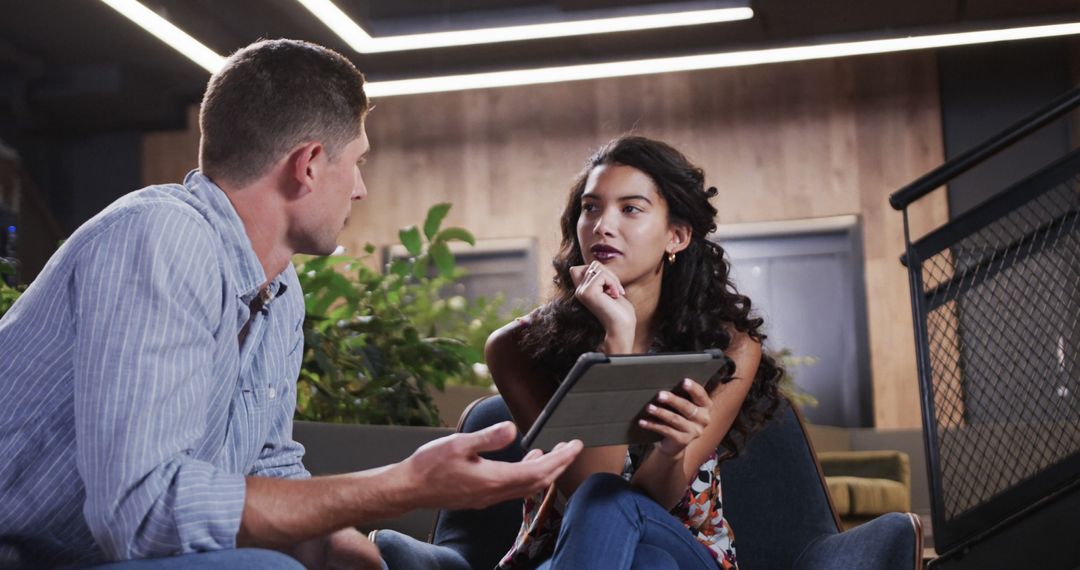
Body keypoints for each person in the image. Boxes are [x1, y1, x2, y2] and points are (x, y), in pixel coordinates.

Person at [0, 39, 581, 570]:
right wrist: (404, 485)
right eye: (355, 162)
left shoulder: (278, 292)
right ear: (307, 165)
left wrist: (361, 557)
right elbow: (145, 516)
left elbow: (268, 477)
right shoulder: (161, 236)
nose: (360, 188)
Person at [486, 135, 784, 569]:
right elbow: (588, 489)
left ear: (677, 236)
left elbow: (647, 503)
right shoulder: (517, 347)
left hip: (683, 549)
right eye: (591, 207)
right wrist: (616, 343)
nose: (603, 226)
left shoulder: (729, 345)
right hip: (566, 551)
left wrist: (671, 452)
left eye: (630, 209)